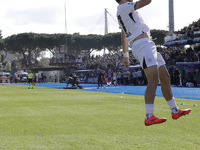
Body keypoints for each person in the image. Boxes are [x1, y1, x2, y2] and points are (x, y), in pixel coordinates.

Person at [116, 0, 191, 126]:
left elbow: (124, 37)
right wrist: (125, 56)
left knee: (165, 77)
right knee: (153, 79)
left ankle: (175, 110)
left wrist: (125, 56)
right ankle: (149, 115)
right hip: (142, 44)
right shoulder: (124, 7)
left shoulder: (124, 11)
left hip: (147, 44)